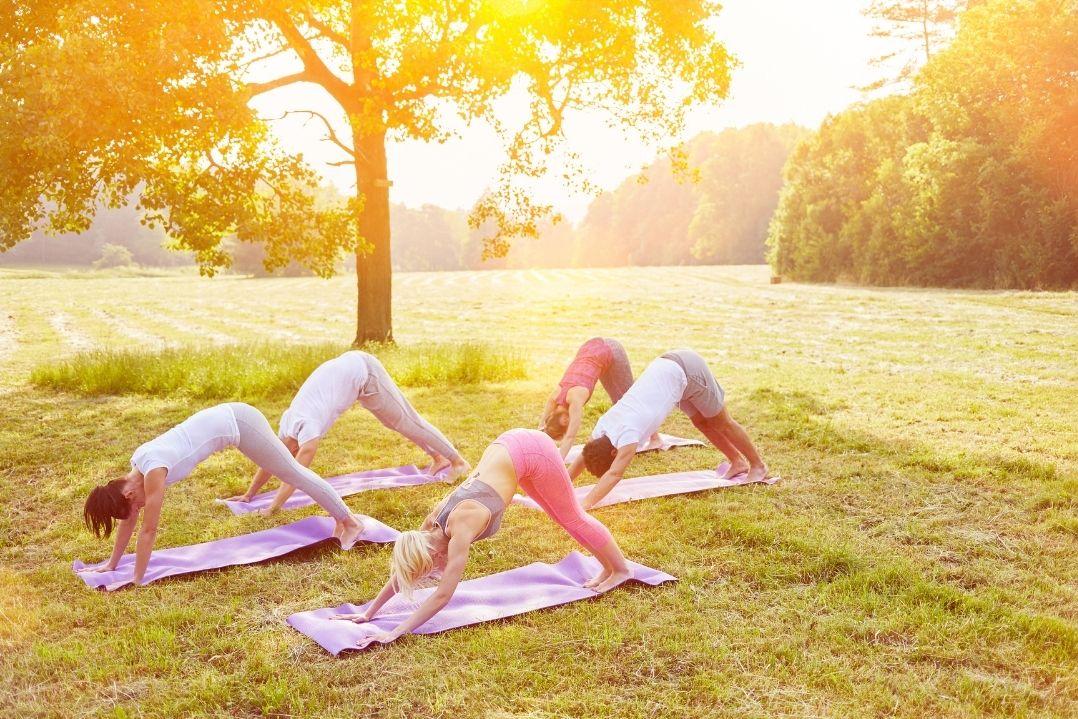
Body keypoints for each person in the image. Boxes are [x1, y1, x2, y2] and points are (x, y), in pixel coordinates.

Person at [330, 429, 631, 643]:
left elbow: (444, 595)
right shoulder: (427, 531)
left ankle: (619, 569)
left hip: (530, 450)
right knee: (562, 517)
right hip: (507, 452)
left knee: (571, 516)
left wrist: (396, 631)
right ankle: (606, 566)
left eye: (433, 570)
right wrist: (369, 612)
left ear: (434, 556)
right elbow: (406, 570)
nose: (436, 574)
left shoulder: (460, 528)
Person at [79, 402, 364, 585]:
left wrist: (137, 579)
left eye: (136, 504)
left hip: (240, 422)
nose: (139, 507)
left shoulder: (152, 470)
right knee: (288, 470)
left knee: (293, 472)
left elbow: (148, 531)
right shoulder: (135, 473)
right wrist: (112, 564)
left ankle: (349, 522)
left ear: (128, 494)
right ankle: (343, 519)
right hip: (233, 420)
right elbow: (130, 521)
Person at [226, 350, 469, 514]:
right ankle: (438, 458)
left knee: (407, 420)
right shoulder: (288, 424)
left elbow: (297, 475)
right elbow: (271, 460)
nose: (287, 458)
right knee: (396, 423)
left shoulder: (308, 431)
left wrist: (273, 508)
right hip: (351, 374)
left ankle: (457, 461)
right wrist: (249, 495)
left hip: (365, 372)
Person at [571, 350, 768, 509]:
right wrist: (564, 483)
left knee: (721, 422)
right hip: (670, 372)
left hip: (687, 368)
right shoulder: (603, 426)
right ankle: (737, 462)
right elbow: (584, 454)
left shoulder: (628, 435)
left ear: (615, 452)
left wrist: (585, 504)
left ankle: (758, 465)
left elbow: (614, 474)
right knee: (701, 422)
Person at [540, 337, 657, 458]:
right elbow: (541, 427)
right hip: (591, 347)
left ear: (565, 420)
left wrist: (558, 462)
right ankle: (648, 436)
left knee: (630, 400)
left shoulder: (575, 400)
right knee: (620, 401)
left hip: (612, 350)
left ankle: (655, 439)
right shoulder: (555, 396)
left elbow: (570, 437)